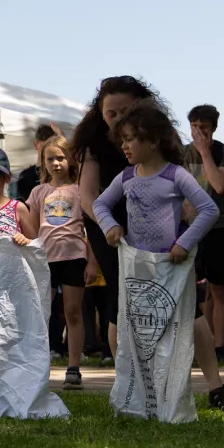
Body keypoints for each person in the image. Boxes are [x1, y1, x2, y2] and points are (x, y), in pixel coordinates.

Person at [92, 103, 224, 411]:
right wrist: (111, 226)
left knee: (181, 325)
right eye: (122, 140)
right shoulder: (126, 177)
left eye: (130, 139)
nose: (124, 146)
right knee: (137, 328)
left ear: (152, 141)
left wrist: (183, 243)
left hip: (172, 270)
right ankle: (139, 394)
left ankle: (190, 389)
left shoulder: (176, 175)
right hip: (137, 268)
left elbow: (209, 209)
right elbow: (99, 205)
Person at [72, 75, 160, 363]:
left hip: (151, 220)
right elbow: (87, 196)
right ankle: (123, 368)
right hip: (105, 221)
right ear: (101, 113)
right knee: (120, 289)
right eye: (111, 114)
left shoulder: (158, 136)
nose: (119, 119)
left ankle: (155, 362)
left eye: (126, 111)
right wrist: (109, 225)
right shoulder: (92, 143)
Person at [27, 136, 95, 389]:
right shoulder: (38, 192)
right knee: (41, 314)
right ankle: (37, 366)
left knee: (73, 312)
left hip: (74, 257)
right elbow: (31, 230)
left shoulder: (79, 190)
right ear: (43, 162)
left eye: (61, 158)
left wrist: (92, 262)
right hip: (45, 259)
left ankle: (73, 367)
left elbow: (92, 230)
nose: (56, 163)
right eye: (50, 159)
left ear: (71, 160)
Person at [181, 105, 224, 359]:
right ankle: (196, 345)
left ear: (214, 128)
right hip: (191, 228)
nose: (198, 132)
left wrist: (205, 152)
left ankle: (219, 347)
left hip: (220, 226)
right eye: (194, 127)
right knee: (190, 290)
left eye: (203, 127)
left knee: (219, 289)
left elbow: (219, 184)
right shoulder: (182, 153)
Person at [16, 124, 60, 203]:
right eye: (44, 147)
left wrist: (61, 137)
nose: (47, 151)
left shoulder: (59, 172)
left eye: (50, 147)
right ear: (35, 145)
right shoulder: (26, 176)